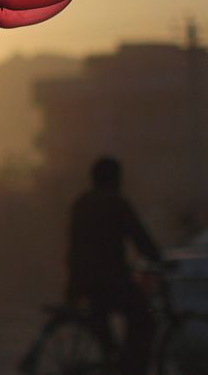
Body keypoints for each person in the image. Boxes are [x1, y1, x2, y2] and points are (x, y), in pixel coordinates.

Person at [65, 156, 162, 375]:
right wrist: (159, 259)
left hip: (81, 282)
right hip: (110, 281)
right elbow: (140, 238)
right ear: (115, 179)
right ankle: (131, 367)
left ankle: (113, 355)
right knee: (144, 317)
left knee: (101, 318)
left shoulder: (81, 202)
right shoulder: (116, 202)